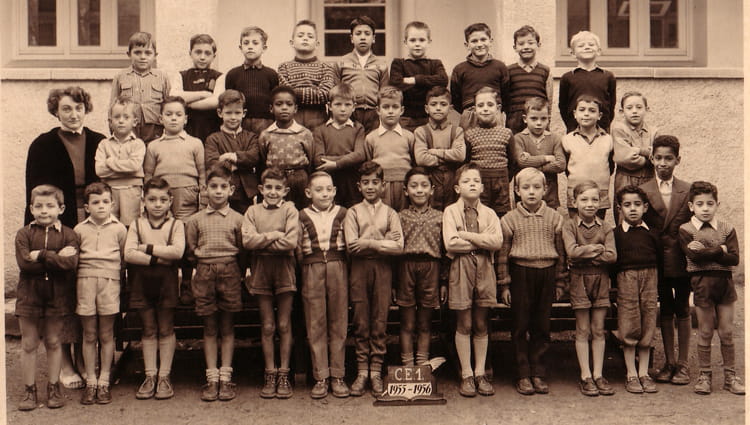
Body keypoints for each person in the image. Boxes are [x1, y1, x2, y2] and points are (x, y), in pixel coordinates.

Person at [25, 86, 106, 390]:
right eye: (67, 109)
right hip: (61, 224)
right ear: (56, 112)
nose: (74, 114)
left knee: (86, 289)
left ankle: (86, 359)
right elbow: (35, 192)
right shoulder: (42, 145)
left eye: (78, 108)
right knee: (63, 292)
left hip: (94, 221)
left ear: (86, 109)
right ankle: (66, 363)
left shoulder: (99, 141)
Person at [497, 167, 566, 396]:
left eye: (537, 187)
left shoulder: (555, 218)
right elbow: (503, 256)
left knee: (542, 326)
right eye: (525, 187)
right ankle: (523, 373)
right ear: (517, 191)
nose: (531, 192)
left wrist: (560, 283)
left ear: (545, 189)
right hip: (521, 274)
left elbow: (561, 254)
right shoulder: (509, 220)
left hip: (546, 274)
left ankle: (538, 371)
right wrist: (505, 285)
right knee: (520, 325)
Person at [15, 185, 79, 411]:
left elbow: (69, 264)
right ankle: (29, 391)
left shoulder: (69, 235)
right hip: (29, 294)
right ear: (31, 208)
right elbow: (25, 265)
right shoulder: (24, 234)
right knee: (29, 343)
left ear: (61, 209)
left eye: (50, 206)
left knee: (53, 341)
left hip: (57, 295)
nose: (44, 210)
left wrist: (41, 255)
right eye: (39, 206)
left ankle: (53, 388)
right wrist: (55, 257)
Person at [185, 165, 245, 402]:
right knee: (210, 327)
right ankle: (211, 378)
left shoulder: (238, 219)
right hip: (204, 272)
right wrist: (203, 266)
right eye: (213, 186)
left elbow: (242, 249)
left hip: (230, 271)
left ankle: (225, 378)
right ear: (205, 189)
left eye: (223, 186)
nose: (218, 191)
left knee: (228, 326)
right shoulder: (195, 220)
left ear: (231, 190)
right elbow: (191, 251)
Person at [343, 161, 404, 396]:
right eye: (366, 183)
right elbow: (352, 246)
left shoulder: (391, 213)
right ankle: (362, 372)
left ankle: (376, 371)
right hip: (359, 270)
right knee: (361, 321)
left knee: (380, 320)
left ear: (383, 185)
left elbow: (398, 246)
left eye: (375, 182)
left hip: (383, 269)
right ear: (359, 186)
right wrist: (383, 241)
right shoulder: (352, 212)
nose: (370, 187)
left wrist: (368, 242)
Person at [678, 181, 744, 395]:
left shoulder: (727, 228)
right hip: (702, 284)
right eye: (700, 204)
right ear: (691, 206)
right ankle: (704, 376)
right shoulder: (686, 229)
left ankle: (730, 377)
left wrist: (707, 251)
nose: (705, 208)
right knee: (705, 331)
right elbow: (694, 257)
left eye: (710, 203)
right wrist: (720, 250)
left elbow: (734, 259)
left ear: (717, 204)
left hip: (725, 284)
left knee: (726, 332)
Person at [443, 163, 502, 397]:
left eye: (476, 181)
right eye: (467, 181)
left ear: (483, 187)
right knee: (464, 323)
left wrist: (466, 235)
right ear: (457, 187)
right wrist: (481, 241)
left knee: (480, 323)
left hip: (485, 268)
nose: (472, 185)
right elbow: (451, 243)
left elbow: (497, 242)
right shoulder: (450, 212)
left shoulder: (490, 214)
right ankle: (466, 374)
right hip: (461, 268)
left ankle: (480, 373)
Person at [124, 177, 186, 400]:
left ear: (170, 201)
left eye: (162, 199)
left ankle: (164, 376)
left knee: (166, 328)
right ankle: (150, 375)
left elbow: (177, 252)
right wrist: (158, 258)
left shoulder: (176, 225)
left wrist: (147, 248)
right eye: (152, 199)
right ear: (144, 201)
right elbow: (129, 253)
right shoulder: (137, 224)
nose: (157, 204)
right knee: (148, 328)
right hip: (141, 283)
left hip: (166, 284)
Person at [639, 135, 693, 385]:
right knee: (665, 309)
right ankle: (669, 362)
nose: (663, 163)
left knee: (683, 307)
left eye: (668, 158)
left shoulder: (687, 189)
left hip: (682, 259)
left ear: (677, 160)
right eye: (658, 158)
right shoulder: (644, 190)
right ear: (651, 159)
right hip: (657, 259)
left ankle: (683, 364)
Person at [243, 168, 300, 399]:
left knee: (284, 325)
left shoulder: (290, 209)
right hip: (261, 270)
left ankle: (284, 373)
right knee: (267, 325)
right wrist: (274, 235)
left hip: (284, 269)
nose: (273, 192)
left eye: (278, 188)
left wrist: (262, 242)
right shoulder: (252, 211)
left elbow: (291, 242)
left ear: (285, 190)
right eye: (269, 187)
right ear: (261, 189)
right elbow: (248, 241)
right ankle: (270, 372)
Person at [143, 96, 206, 303]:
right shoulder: (154, 146)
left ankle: (186, 284)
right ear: (160, 118)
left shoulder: (195, 143)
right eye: (168, 114)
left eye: (178, 114)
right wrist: (149, 200)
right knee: (166, 237)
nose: (173, 118)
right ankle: (168, 285)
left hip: (188, 195)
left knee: (186, 240)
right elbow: (149, 175)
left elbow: (202, 174)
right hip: (162, 197)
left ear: (185, 119)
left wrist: (202, 200)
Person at [296, 171, 350, 399]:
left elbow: (349, 244)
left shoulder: (344, 213)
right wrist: (309, 265)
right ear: (309, 193)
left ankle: (338, 375)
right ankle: (320, 376)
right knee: (315, 322)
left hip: (338, 266)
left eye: (328, 189)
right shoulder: (301, 215)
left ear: (335, 191)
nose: (324, 194)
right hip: (312, 267)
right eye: (319, 190)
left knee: (339, 321)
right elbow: (297, 249)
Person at [74, 182, 127, 405]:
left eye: (106, 201)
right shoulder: (79, 230)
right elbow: (75, 259)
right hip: (85, 282)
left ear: (112, 204)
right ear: (87, 207)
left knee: (106, 334)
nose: (101, 206)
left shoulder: (119, 229)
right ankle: (91, 381)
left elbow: (124, 259)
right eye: (96, 202)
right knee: (89, 334)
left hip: (109, 282)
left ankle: (104, 380)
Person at [562, 181, 617, 397]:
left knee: (598, 328)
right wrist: (596, 249)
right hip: (579, 282)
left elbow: (611, 256)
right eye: (584, 199)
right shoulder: (569, 226)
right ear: (574, 202)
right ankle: (585, 375)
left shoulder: (606, 227)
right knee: (583, 329)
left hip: (601, 281)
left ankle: (598, 374)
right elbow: (571, 252)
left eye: (595, 199)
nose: (590, 204)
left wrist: (583, 255)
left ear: (601, 202)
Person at [613, 185, 661, 394]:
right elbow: (613, 264)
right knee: (629, 322)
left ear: (645, 207)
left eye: (637, 204)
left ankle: (644, 372)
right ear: (619, 209)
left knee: (648, 320)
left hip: (650, 278)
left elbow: (659, 259)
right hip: (626, 279)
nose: (632, 209)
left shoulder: (652, 234)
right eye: (627, 205)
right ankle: (631, 373)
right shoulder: (616, 234)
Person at [398, 167, 447, 368]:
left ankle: (421, 365)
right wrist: (394, 283)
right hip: (405, 268)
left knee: (425, 323)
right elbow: (393, 252)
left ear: (432, 190)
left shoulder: (440, 217)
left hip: (431, 268)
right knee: (407, 323)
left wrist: (443, 281)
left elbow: (445, 251)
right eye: (414, 186)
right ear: (405, 190)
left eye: (424, 185)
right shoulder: (399, 217)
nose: (419, 190)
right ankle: (408, 367)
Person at [258, 85, 315, 210]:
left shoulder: (304, 133)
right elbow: (262, 159)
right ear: (271, 108)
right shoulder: (266, 134)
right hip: (276, 181)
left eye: (289, 104)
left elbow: (311, 159)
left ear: (295, 109)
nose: (284, 107)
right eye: (279, 104)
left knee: (301, 211)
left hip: (300, 180)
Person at [205, 89, 260, 214]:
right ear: (220, 113)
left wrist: (233, 156)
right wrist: (240, 165)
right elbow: (213, 163)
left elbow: (254, 157)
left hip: (247, 192)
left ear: (244, 113)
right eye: (228, 113)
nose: (233, 117)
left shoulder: (251, 137)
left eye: (237, 113)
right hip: (223, 190)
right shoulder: (213, 139)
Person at [332, 16, 390, 134]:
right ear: (351, 38)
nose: (363, 37)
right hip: (349, 112)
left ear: (373, 38)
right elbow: (335, 91)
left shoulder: (381, 64)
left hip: (373, 114)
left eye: (367, 34)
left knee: (372, 142)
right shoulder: (341, 62)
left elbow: (384, 93)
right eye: (358, 33)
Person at [110, 32, 170, 144]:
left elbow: (168, 104)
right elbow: (113, 105)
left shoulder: (162, 77)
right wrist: (114, 131)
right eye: (137, 52)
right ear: (129, 54)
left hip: (155, 129)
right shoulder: (120, 76)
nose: (143, 57)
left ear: (155, 55)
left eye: (148, 53)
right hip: (129, 129)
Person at [95, 96, 146, 226]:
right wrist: (126, 170)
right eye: (117, 117)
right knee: (109, 224)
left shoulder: (138, 144)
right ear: (110, 121)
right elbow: (100, 170)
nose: (121, 121)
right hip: (109, 191)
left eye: (126, 117)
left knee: (130, 224)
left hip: (131, 190)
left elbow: (134, 166)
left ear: (134, 122)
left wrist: (110, 162)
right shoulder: (104, 144)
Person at [313, 83, 366, 208]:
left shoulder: (358, 128)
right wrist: (349, 158)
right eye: (338, 104)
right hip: (329, 180)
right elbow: (318, 159)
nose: (343, 109)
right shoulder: (320, 130)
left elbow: (360, 155)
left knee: (353, 210)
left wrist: (336, 164)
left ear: (354, 107)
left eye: (347, 105)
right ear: (329, 106)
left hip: (351, 180)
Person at [389, 21, 449, 132]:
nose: (417, 44)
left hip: (430, 119)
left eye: (422, 40)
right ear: (405, 42)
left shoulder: (435, 64)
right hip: (405, 119)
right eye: (412, 40)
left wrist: (414, 80)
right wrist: (428, 85)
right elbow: (396, 84)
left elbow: (443, 80)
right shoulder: (398, 63)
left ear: (429, 42)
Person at [413, 86, 466, 210]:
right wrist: (449, 157)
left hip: (452, 180)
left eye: (443, 104)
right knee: (431, 212)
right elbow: (421, 158)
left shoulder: (457, 131)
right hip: (430, 179)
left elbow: (460, 155)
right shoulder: (421, 131)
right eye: (433, 104)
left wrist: (436, 152)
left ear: (450, 108)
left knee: (453, 211)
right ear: (426, 108)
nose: (438, 108)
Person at [562, 95, 614, 220]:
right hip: (576, 191)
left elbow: (611, 165)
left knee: (598, 225)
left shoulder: (608, 139)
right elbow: (565, 167)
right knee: (576, 225)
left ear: (599, 116)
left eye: (592, 110)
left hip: (599, 192)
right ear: (575, 114)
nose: (586, 114)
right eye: (582, 110)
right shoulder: (567, 139)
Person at [364, 86, 415, 211]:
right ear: (378, 110)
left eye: (395, 107)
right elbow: (369, 162)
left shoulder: (409, 136)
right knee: (383, 215)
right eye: (386, 107)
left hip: (403, 184)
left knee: (403, 214)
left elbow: (414, 161)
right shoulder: (371, 138)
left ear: (402, 110)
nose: (390, 111)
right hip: (382, 185)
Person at [450, 22, 509, 130]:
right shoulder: (459, 69)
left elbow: (506, 95)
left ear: (490, 41)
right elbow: (455, 98)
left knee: (497, 139)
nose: (479, 44)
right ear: (467, 45)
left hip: (494, 114)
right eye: (474, 41)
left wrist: (495, 109)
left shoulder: (500, 67)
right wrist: (469, 111)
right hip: (470, 115)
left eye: (483, 39)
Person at [278, 20, 335, 130]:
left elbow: (325, 94)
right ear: (292, 42)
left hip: (318, 117)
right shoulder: (284, 67)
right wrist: (313, 92)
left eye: (310, 36)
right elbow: (286, 94)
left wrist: (296, 93)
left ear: (317, 44)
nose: (305, 38)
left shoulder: (326, 67)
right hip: (292, 117)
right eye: (300, 35)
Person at [464, 87, 513, 218]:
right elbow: (466, 162)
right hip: (479, 182)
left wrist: (504, 178)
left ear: (498, 108)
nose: (485, 109)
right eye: (480, 105)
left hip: (501, 182)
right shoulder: (469, 134)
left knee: (501, 215)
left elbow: (513, 162)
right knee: (479, 214)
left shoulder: (506, 133)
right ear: (475, 109)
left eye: (490, 105)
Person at [511, 97, 565, 209]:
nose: (539, 123)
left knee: (549, 218)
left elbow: (561, 164)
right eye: (534, 119)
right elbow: (522, 162)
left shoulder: (555, 139)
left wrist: (534, 165)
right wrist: (546, 158)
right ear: (525, 119)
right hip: (525, 195)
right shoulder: (518, 139)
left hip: (549, 194)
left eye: (543, 119)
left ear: (548, 119)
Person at [612, 91, 658, 222]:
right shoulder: (618, 129)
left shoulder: (654, 132)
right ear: (622, 112)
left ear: (647, 109)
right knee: (624, 215)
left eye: (639, 107)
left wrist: (637, 150)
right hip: (626, 179)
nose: (634, 111)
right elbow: (626, 158)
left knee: (649, 215)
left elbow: (658, 157)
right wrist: (648, 155)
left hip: (649, 178)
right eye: (629, 108)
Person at [558, 31, 616, 133]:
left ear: (599, 51)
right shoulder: (567, 78)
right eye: (581, 46)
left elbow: (611, 106)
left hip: (601, 130)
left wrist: (605, 125)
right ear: (573, 54)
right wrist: (571, 125)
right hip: (575, 130)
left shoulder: (608, 76)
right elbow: (563, 106)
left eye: (591, 44)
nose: (587, 47)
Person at [170, 34, 223, 143]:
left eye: (207, 53)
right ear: (190, 53)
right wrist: (203, 94)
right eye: (198, 52)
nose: (202, 57)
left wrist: (186, 102)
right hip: (187, 128)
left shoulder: (219, 76)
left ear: (214, 56)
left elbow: (216, 101)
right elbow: (174, 96)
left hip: (211, 127)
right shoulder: (181, 75)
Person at [505, 25, 553, 134]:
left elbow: (549, 99)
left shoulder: (545, 71)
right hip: (515, 122)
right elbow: (505, 99)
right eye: (521, 44)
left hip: (538, 120)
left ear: (538, 45)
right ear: (515, 47)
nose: (526, 47)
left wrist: (547, 121)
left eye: (530, 43)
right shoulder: (508, 71)